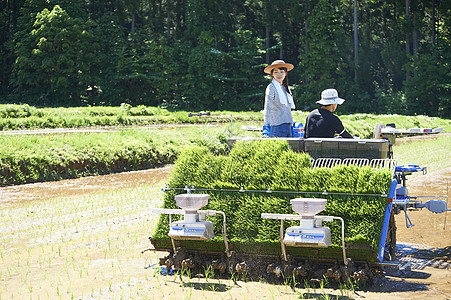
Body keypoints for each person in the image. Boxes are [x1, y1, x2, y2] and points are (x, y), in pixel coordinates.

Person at [263, 60, 295, 137]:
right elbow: (267, 108)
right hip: (276, 126)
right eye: (276, 72)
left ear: (286, 73)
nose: (279, 74)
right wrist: (266, 125)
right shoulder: (271, 87)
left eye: (281, 72)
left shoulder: (286, 88)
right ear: (272, 74)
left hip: (288, 125)